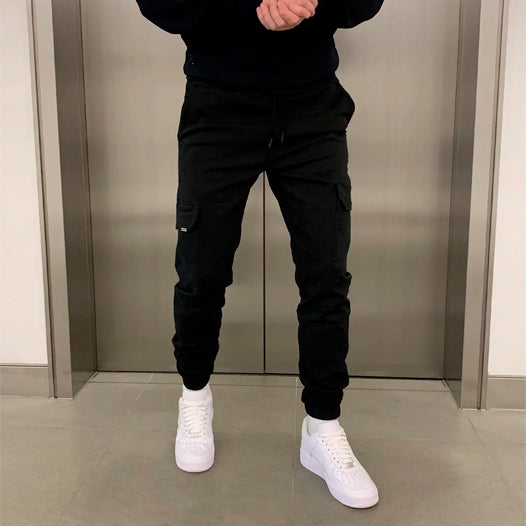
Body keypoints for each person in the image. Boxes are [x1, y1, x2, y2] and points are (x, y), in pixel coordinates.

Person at [135, 0, 384, 509]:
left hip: (313, 108)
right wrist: (252, 5)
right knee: (201, 272)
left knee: (326, 276)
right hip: (218, 107)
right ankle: (195, 397)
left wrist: (311, 0)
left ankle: (322, 426)